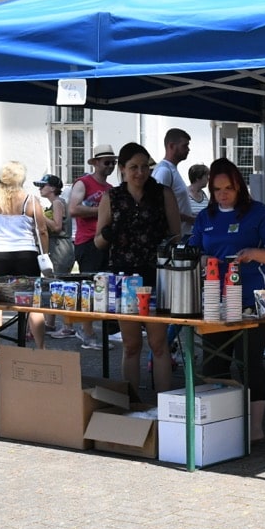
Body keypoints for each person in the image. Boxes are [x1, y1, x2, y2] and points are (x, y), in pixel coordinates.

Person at [188, 158, 265, 442]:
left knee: (249, 361)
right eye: (217, 189)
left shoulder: (257, 212)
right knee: (214, 361)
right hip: (215, 299)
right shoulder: (206, 217)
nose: (223, 195)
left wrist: (254, 254)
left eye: (228, 188)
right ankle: (221, 423)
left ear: (238, 186)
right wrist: (203, 258)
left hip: (256, 296)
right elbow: (193, 251)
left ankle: (255, 428)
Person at [95, 143, 182, 394]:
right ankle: (131, 402)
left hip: (156, 274)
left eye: (145, 167)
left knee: (158, 344)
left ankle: (164, 402)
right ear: (122, 169)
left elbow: (176, 235)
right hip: (125, 278)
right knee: (131, 345)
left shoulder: (162, 193)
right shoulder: (111, 197)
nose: (140, 172)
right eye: (133, 167)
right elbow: (98, 242)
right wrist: (109, 234)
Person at [0, 162, 47, 360]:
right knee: (33, 303)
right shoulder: (31, 200)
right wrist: (45, 254)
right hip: (26, 254)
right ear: (21, 178)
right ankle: (41, 349)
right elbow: (42, 230)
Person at [68, 144, 116, 350]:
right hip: (87, 242)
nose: (110, 166)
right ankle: (86, 332)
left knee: (104, 287)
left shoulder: (110, 189)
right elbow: (73, 209)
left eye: (113, 163)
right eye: (107, 163)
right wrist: (101, 211)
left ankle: (104, 332)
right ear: (95, 163)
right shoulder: (83, 183)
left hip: (104, 242)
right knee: (89, 286)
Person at [35, 174, 77, 339]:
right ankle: (50, 323)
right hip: (56, 247)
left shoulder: (58, 203)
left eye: (43, 185)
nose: (40, 189)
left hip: (61, 248)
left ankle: (68, 326)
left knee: (60, 285)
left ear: (52, 188)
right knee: (51, 285)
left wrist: (40, 216)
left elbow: (57, 227)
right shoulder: (54, 204)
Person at [152, 127, 194, 231]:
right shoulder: (164, 171)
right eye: (185, 146)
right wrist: (191, 219)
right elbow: (159, 209)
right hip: (172, 239)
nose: (188, 149)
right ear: (171, 146)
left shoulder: (171, 169)